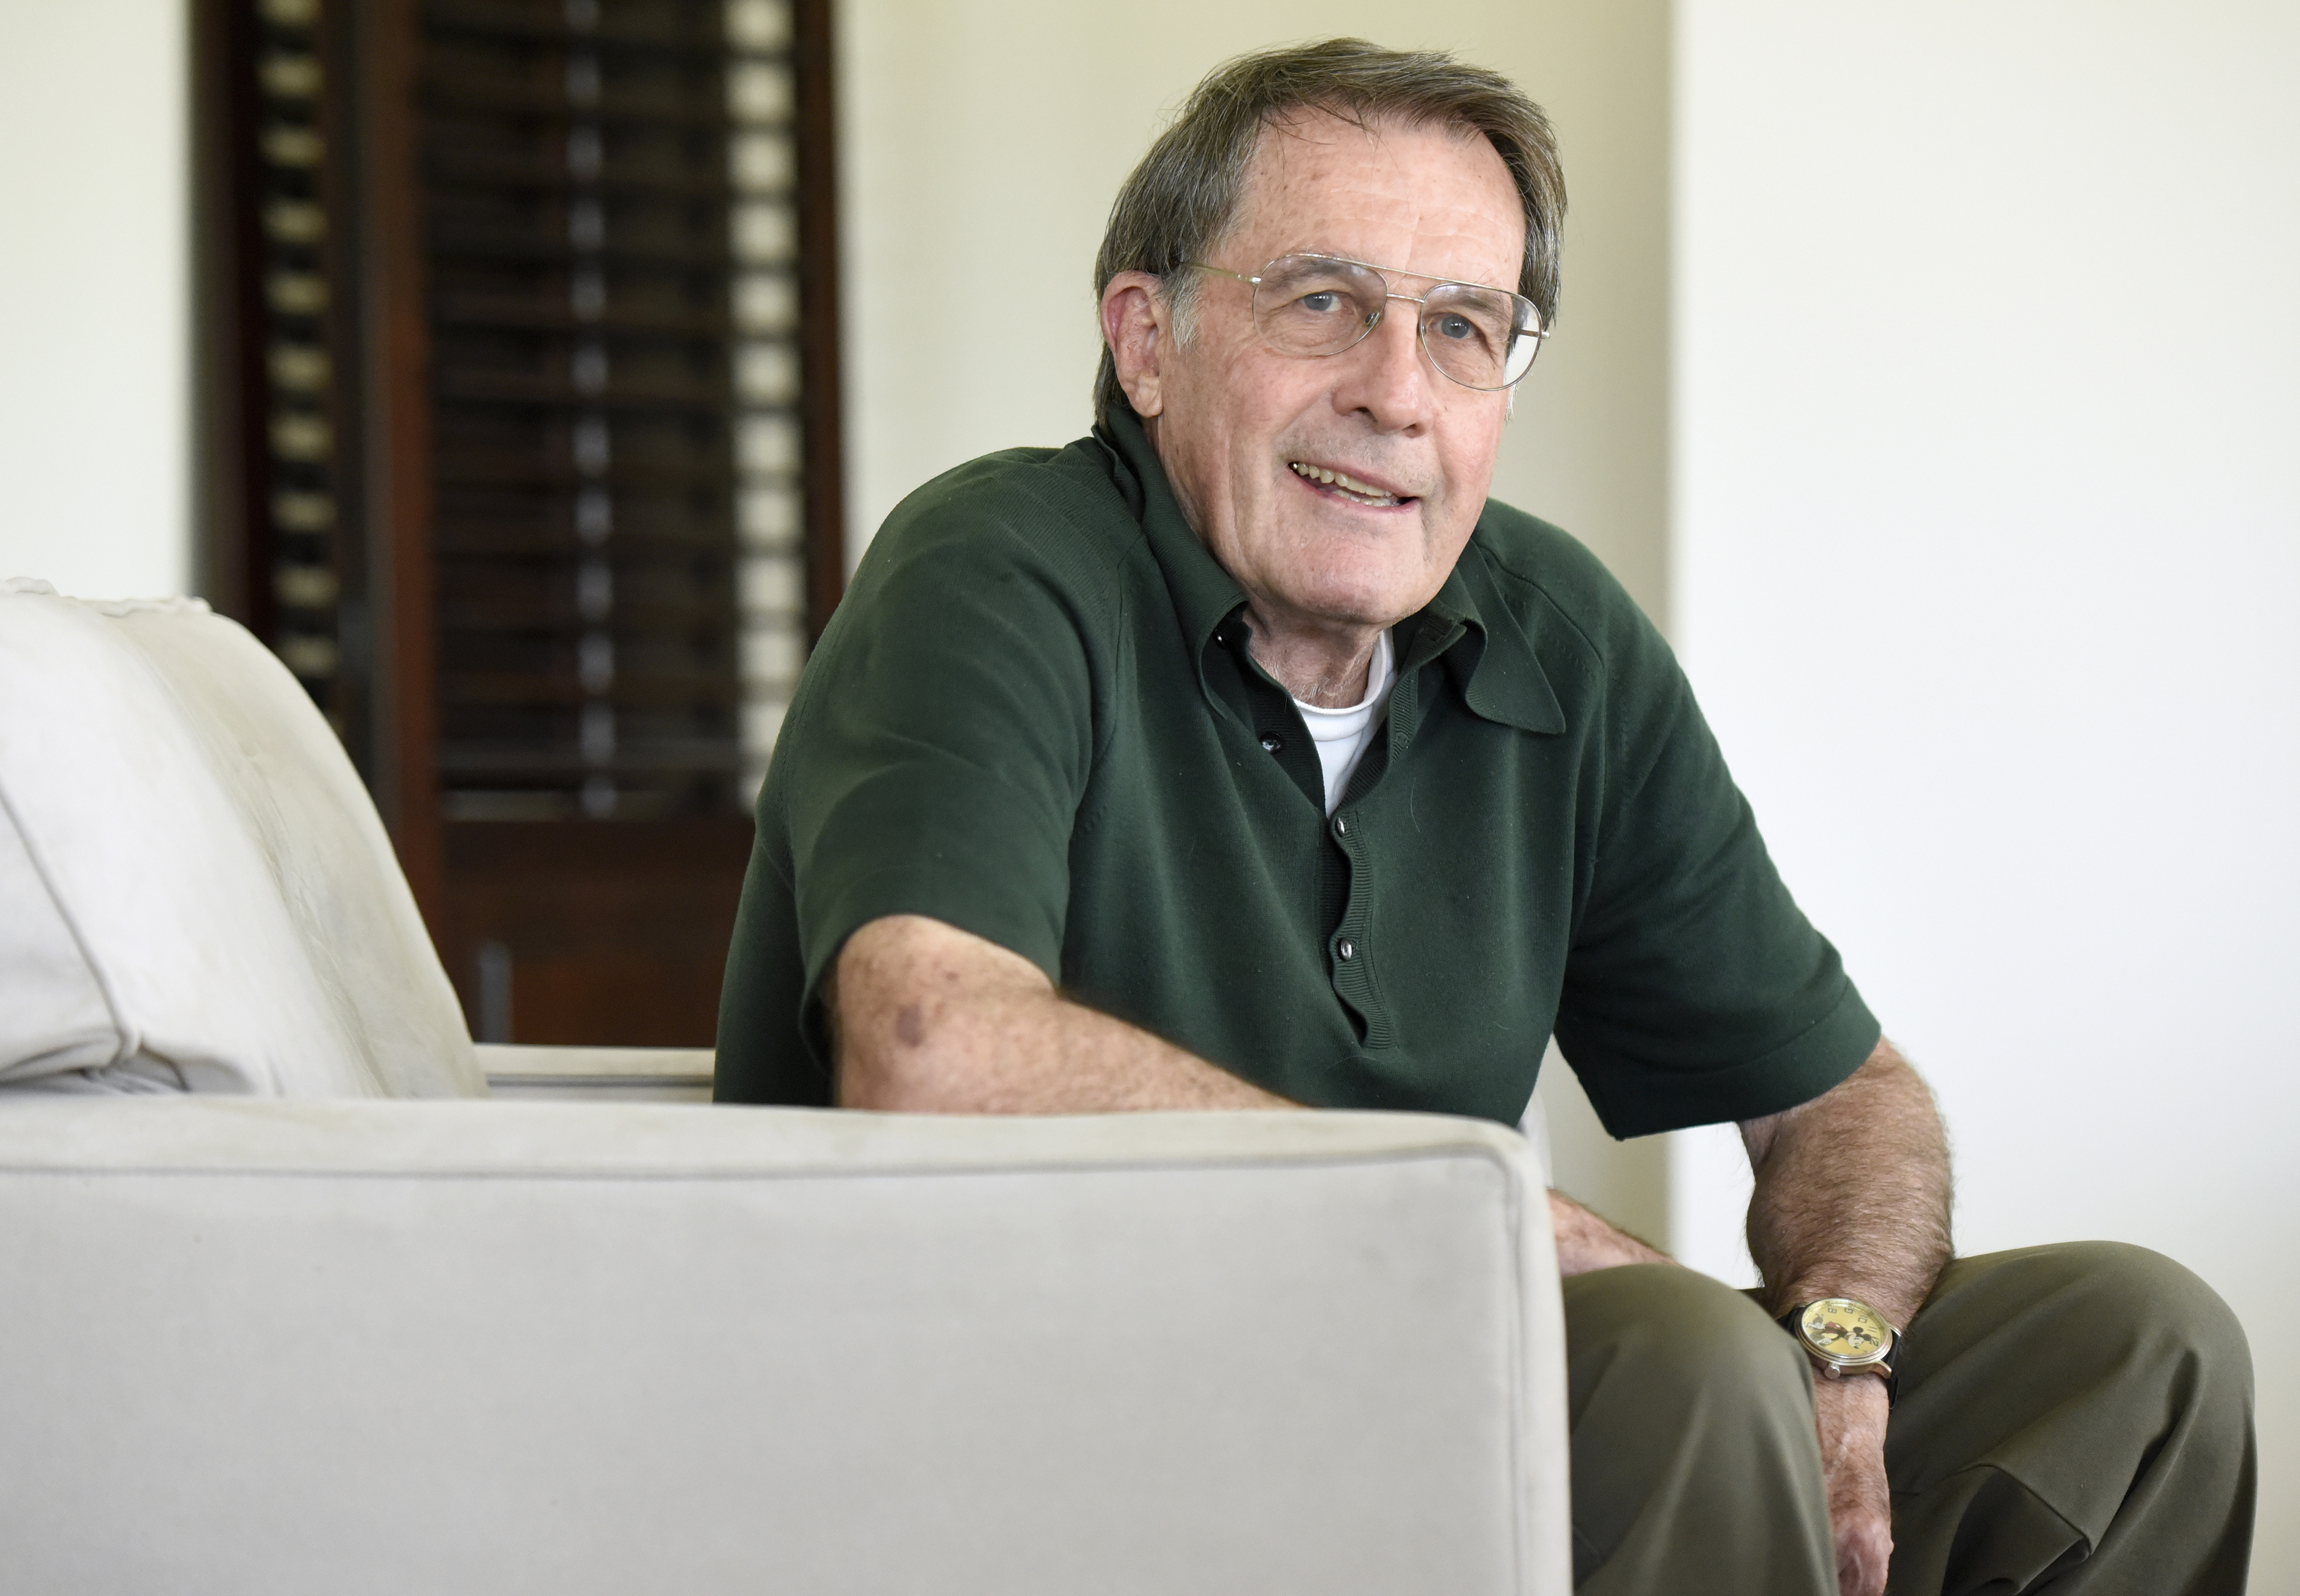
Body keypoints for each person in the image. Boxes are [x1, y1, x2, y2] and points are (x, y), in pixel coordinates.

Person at [715, 38, 2254, 1596]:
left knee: (2133, 1349)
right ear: (1146, 338)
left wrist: (1844, 1354)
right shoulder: (993, 567)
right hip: (1042, 1427)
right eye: (1322, 301)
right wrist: (1509, 1232)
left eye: (1461, 327)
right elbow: (931, 1048)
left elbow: (1837, 1098)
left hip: (1423, 1393)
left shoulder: (1547, 628)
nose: (1395, 392)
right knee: (1671, 1354)